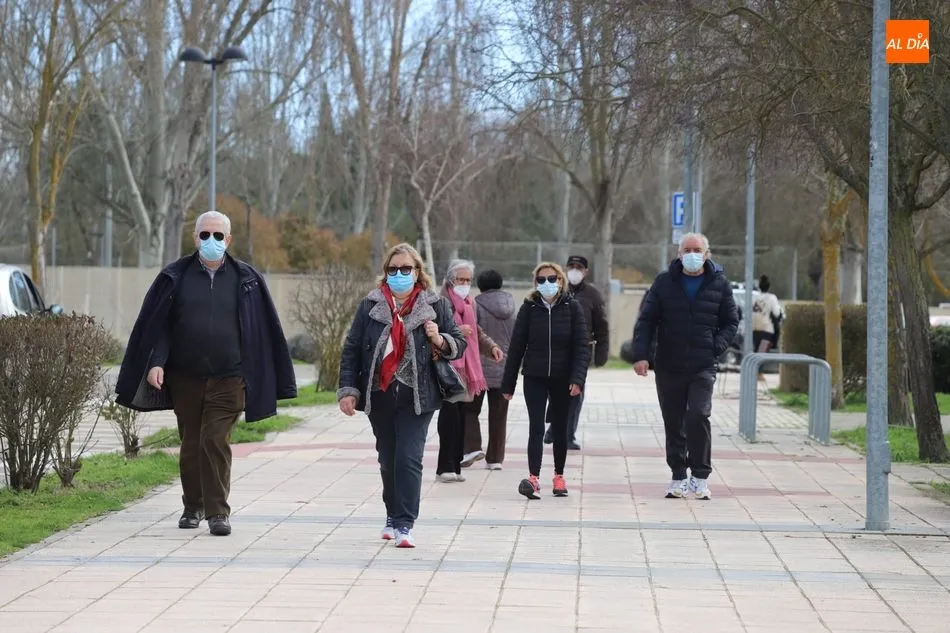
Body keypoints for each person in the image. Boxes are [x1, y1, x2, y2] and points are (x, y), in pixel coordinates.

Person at [115, 210, 297, 537]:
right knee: (191, 443)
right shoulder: (176, 277)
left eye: (218, 236)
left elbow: (260, 329)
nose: (211, 241)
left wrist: (257, 373)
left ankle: (217, 513)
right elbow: (161, 327)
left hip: (230, 378)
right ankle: (192, 506)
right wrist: (157, 361)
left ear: (228, 240)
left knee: (214, 440)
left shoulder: (247, 279)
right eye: (204, 235)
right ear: (195, 238)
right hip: (185, 376)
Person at [337, 243, 466, 548]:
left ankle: (405, 524)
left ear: (418, 272)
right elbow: (352, 348)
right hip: (379, 395)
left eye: (405, 269)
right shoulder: (370, 305)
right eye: (392, 270)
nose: (398, 275)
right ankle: (392, 515)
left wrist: (439, 337)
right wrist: (348, 390)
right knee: (388, 460)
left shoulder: (435, 305)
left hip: (417, 397)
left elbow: (459, 343)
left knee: (409, 458)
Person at [631, 232, 739, 501]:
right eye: (687, 249)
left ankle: (700, 476)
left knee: (698, 415)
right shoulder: (665, 282)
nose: (692, 254)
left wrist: (716, 345)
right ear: (679, 254)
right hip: (669, 363)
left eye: (697, 249)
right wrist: (642, 354)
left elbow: (731, 321)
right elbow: (647, 320)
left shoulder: (719, 283)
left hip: (703, 364)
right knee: (674, 420)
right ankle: (678, 475)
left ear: (707, 254)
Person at [502, 262, 591, 500]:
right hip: (535, 376)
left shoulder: (572, 307)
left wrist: (577, 379)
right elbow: (517, 347)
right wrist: (508, 384)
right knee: (536, 427)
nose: (547, 284)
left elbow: (582, 347)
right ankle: (533, 477)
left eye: (551, 278)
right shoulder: (529, 308)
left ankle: (559, 475)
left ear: (560, 281)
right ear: (535, 284)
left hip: (563, 378)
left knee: (560, 428)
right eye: (541, 280)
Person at [435, 260, 504, 482]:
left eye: (467, 280)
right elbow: (432, 330)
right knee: (449, 417)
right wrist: (455, 331)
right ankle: (443, 467)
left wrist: (491, 346)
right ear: (449, 280)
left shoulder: (469, 303)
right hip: (448, 366)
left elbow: (476, 331)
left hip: (467, 368)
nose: (464, 284)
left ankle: (455, 467)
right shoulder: (440, 302)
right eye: (460, 280)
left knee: (462, 418)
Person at [544, 255, 609, 450]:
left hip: (581, 350)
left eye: (578, 267)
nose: (574, 270)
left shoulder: (593, 295)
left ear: (586, 271)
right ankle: (555, 427)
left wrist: (601, 353)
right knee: (555, 391)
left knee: (575, 392)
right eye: (570, 266)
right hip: (555, 349)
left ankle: (567, 435)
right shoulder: (555, 290)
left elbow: (602, 326)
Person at [464, 269, 516, 470]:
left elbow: (473, 336)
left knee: (469, 410)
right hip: (504, 368)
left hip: (478, 369)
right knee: (499, 414)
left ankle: (473, 448)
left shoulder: (475, 305)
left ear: (480, 285)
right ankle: (495, 459)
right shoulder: (512, 307)